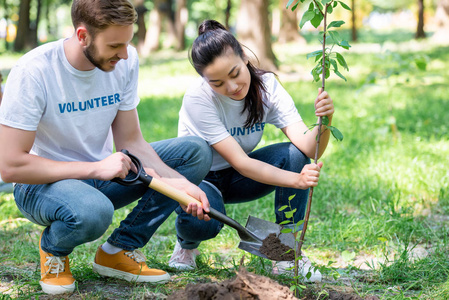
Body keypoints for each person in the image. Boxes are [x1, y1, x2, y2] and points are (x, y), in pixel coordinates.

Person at [0, 0, 212, 295]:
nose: (124, 54)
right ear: (83, 36)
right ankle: (54, 250)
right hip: (39, 184)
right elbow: (11, 166)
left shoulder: (125, 61)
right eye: (115, 45)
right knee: (94, 212)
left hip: (102, 175)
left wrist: (180, 183)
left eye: (127, 43)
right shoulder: (33, 72)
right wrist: (96, 168)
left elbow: (131, 142)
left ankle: (118, 250)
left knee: (194, 152)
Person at [168, 20, 335, 282]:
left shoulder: (267, 86)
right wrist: (297, 180)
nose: (232, 87)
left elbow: (307, 146)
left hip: (237, 177)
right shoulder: (198, 98)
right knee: (204, 222)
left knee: (294, 156)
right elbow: (243, 162)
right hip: (200, 180)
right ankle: (186, 246)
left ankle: (286, 250)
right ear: (205, 80)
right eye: (218, 83)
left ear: (245, 57)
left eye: (235, 74)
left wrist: (325, 121)